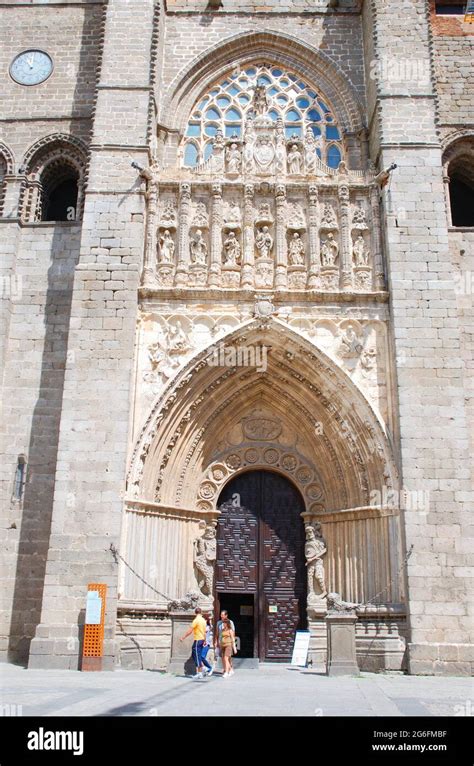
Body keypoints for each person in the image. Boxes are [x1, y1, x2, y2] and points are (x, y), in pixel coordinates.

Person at [180, 607, 207, 679]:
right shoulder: (203, 620)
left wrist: (183, 637)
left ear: (195, 613)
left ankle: (200, 672)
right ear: (201, 612)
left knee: (197, 656)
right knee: (196, 654)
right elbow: (205, 632)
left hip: (198, 639)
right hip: (201, 639)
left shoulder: (196, 620)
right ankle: (203, 668)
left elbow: (190, 631)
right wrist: (205, 640)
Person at [215, 609, 236, 676]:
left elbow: (233, 633)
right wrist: (216, 642)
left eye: (223, 615)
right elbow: (217, 633)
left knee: (227, 657)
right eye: (221, 615)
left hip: (228, 642)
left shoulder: (230, 622)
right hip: (221, 642)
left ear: (226, 615)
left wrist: (234, 645)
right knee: (223, 657)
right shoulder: (219, 623)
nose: (222, 617)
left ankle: (228, 669)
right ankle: (226, 669)